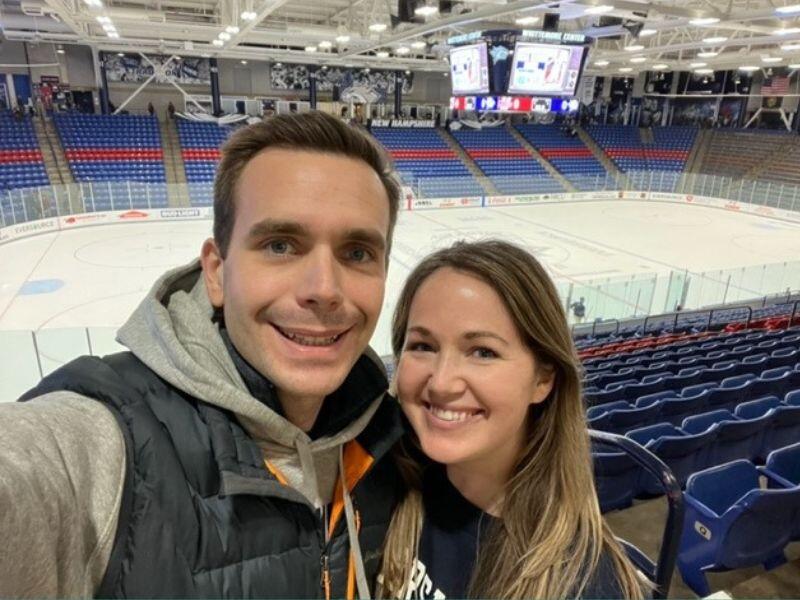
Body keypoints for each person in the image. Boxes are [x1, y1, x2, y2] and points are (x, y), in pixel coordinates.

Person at [0, 111, 405, 597]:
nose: (324, 289)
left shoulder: (392, 438)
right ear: (215, 271)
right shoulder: (107, 442)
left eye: (358, 253)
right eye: (280, 245)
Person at [378, 240, 646, 599]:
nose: (441, 382)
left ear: (543, 378)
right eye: (423, 346)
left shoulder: (584, 586)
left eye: (483, 352)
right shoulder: (382, 486)